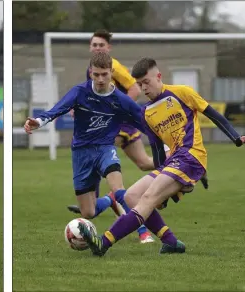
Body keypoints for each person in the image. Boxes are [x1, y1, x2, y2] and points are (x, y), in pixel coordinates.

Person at [78, 57, 245, 257]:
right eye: (140, 84)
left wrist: (235, 138)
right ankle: (170, 241)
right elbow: (157, 150)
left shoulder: (182, 92)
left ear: (159, 76)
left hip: (191, 156)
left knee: (148, 198)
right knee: (131, 196)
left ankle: (103, 243)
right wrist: (160, 175)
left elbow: (213, 115)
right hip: (173, 161)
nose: (144, 88)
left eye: (146, 82)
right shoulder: (146, 112)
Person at [22, 52, 150, 243]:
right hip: (81, 153)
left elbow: (145, 122)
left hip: (106, 149)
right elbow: (58, 109)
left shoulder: (120, 100)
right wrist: (38, 122)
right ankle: (109, 201)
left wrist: (166, 141)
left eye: (104, 74)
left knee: (119, 188)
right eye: (96, 74)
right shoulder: (79, 92)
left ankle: (143, 232)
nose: (100, 79)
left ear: (111, 73)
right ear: (90, 72)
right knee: (88, 212)